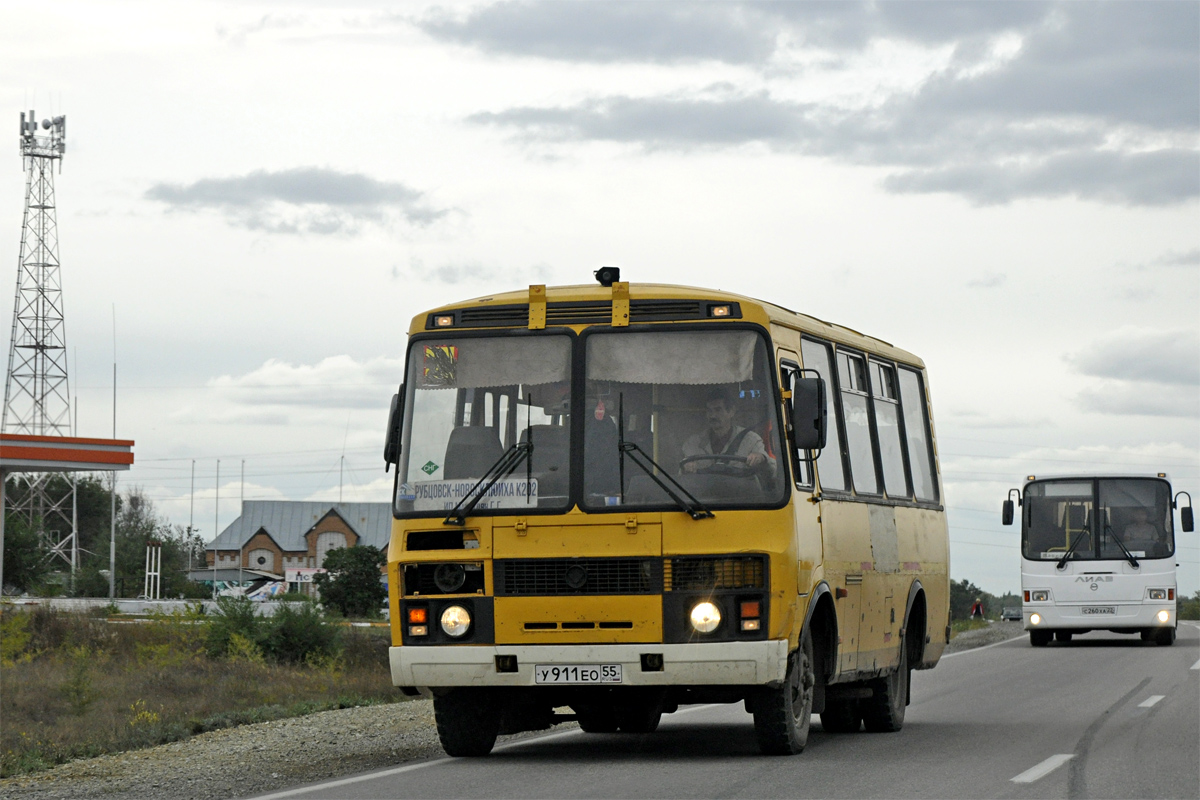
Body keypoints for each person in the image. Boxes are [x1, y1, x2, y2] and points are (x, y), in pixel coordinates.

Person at [680, 388, 776, 478]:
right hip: (700, 495)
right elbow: (681, 477)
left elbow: (773, 472)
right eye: (709, 410)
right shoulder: (692, 443)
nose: (712, 416)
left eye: (718, 410)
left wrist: (762, 459)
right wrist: (686, 468)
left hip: (741, 494)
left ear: (731, 411)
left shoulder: (751, 440)